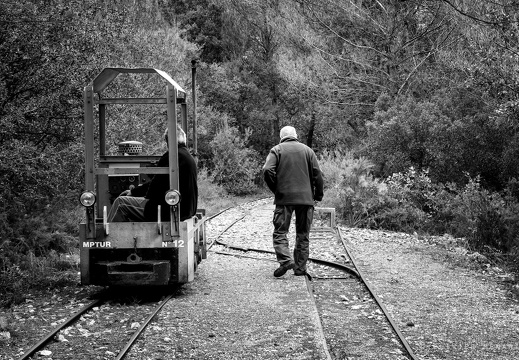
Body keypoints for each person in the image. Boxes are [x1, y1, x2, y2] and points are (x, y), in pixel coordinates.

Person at [262, 125, 324, 277]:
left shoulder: (277, 150)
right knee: (303, 234)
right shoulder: (308, 151)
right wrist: (318, 195)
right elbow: (318, 175)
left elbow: (267, 169)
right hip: (306, 200)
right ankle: (300, 269)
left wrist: (276, 189)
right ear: (296, 135)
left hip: (284, 199)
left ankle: (285, 260)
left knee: (280, 231)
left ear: (281, 137)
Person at [107, 124, 198, 222]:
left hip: (167, 210)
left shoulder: (172, 157)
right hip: (187, 210)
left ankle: (107, 236)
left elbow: (154, 189)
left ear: (168, 141)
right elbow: (161, 183)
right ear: (183, 139)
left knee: (120, 202)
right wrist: (134, 192)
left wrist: (134, 193)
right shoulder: (188, 157)